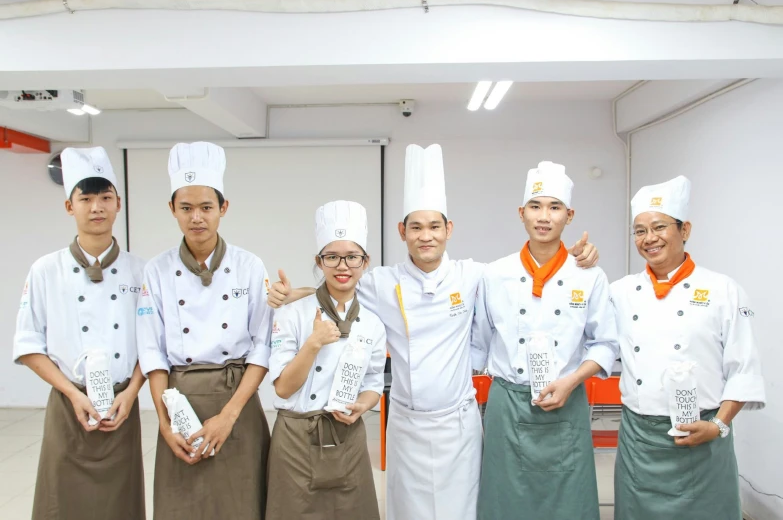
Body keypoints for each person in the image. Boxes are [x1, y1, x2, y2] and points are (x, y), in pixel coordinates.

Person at [268, 144, 599, 519]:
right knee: (408, 511)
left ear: (449, 229)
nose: (426, 236)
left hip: (459, 424)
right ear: (402, 232)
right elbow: (339, 283)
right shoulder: (381, 282)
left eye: (434, 226)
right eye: (416, 227)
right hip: (407, 423)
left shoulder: (475, 275)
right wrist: (295, 294)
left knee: (462, 510)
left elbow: (531, 272)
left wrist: (577, 257)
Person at [610, 175, 766, 520]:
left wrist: (719, 425)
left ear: (685, 229)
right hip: (640, 439)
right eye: (639, 230)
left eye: (660, 227)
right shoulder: (619, 292)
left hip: (704, 432)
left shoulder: (723, 290)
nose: (649, 238)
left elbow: (742, 368)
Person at [472, 161, 619, 520]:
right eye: (536, 207)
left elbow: (606, 344)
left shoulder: (589, 276)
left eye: (554, 207)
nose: (544, 216)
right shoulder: (495, 274)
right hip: (507, 403)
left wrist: (571, 381)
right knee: (506, 502)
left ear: (569, 216)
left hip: (566, 402)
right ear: (521, 213)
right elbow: (480, 343)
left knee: (567, 504)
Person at [136, 141, 273, 520]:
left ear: (223, 208)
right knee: (183, 506)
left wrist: (228, 415)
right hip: (180, 401)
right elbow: (152, 351)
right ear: (172, 210)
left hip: (238, 401)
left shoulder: (249, 265)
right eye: (186, 208)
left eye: (206, 207)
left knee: (240, 504)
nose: (197, 217)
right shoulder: (156, 270)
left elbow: (263, 345)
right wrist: (165, 423)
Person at [14, 146, 146, 520]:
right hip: (69, 403)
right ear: (70, 207)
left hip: (122, 404)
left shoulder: (140, 272)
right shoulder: (45, 270)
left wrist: (132, 393)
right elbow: (28, 345)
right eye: (85, 198)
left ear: (118, 204)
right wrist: (73, 393)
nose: (97, 207)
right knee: (63, 501)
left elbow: (153, 346)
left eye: (105, 197)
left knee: (120, 502)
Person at [266, 200, 386, 519]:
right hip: (294, 436)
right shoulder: (292, 314)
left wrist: (362, 404)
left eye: (352, 257)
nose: (342, 266)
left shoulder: (373, 323)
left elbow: (374, 382)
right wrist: (313, 344)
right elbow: (282, 389)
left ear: (365, 261)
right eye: (332, 257)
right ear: (320, 262)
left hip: (347, 435)